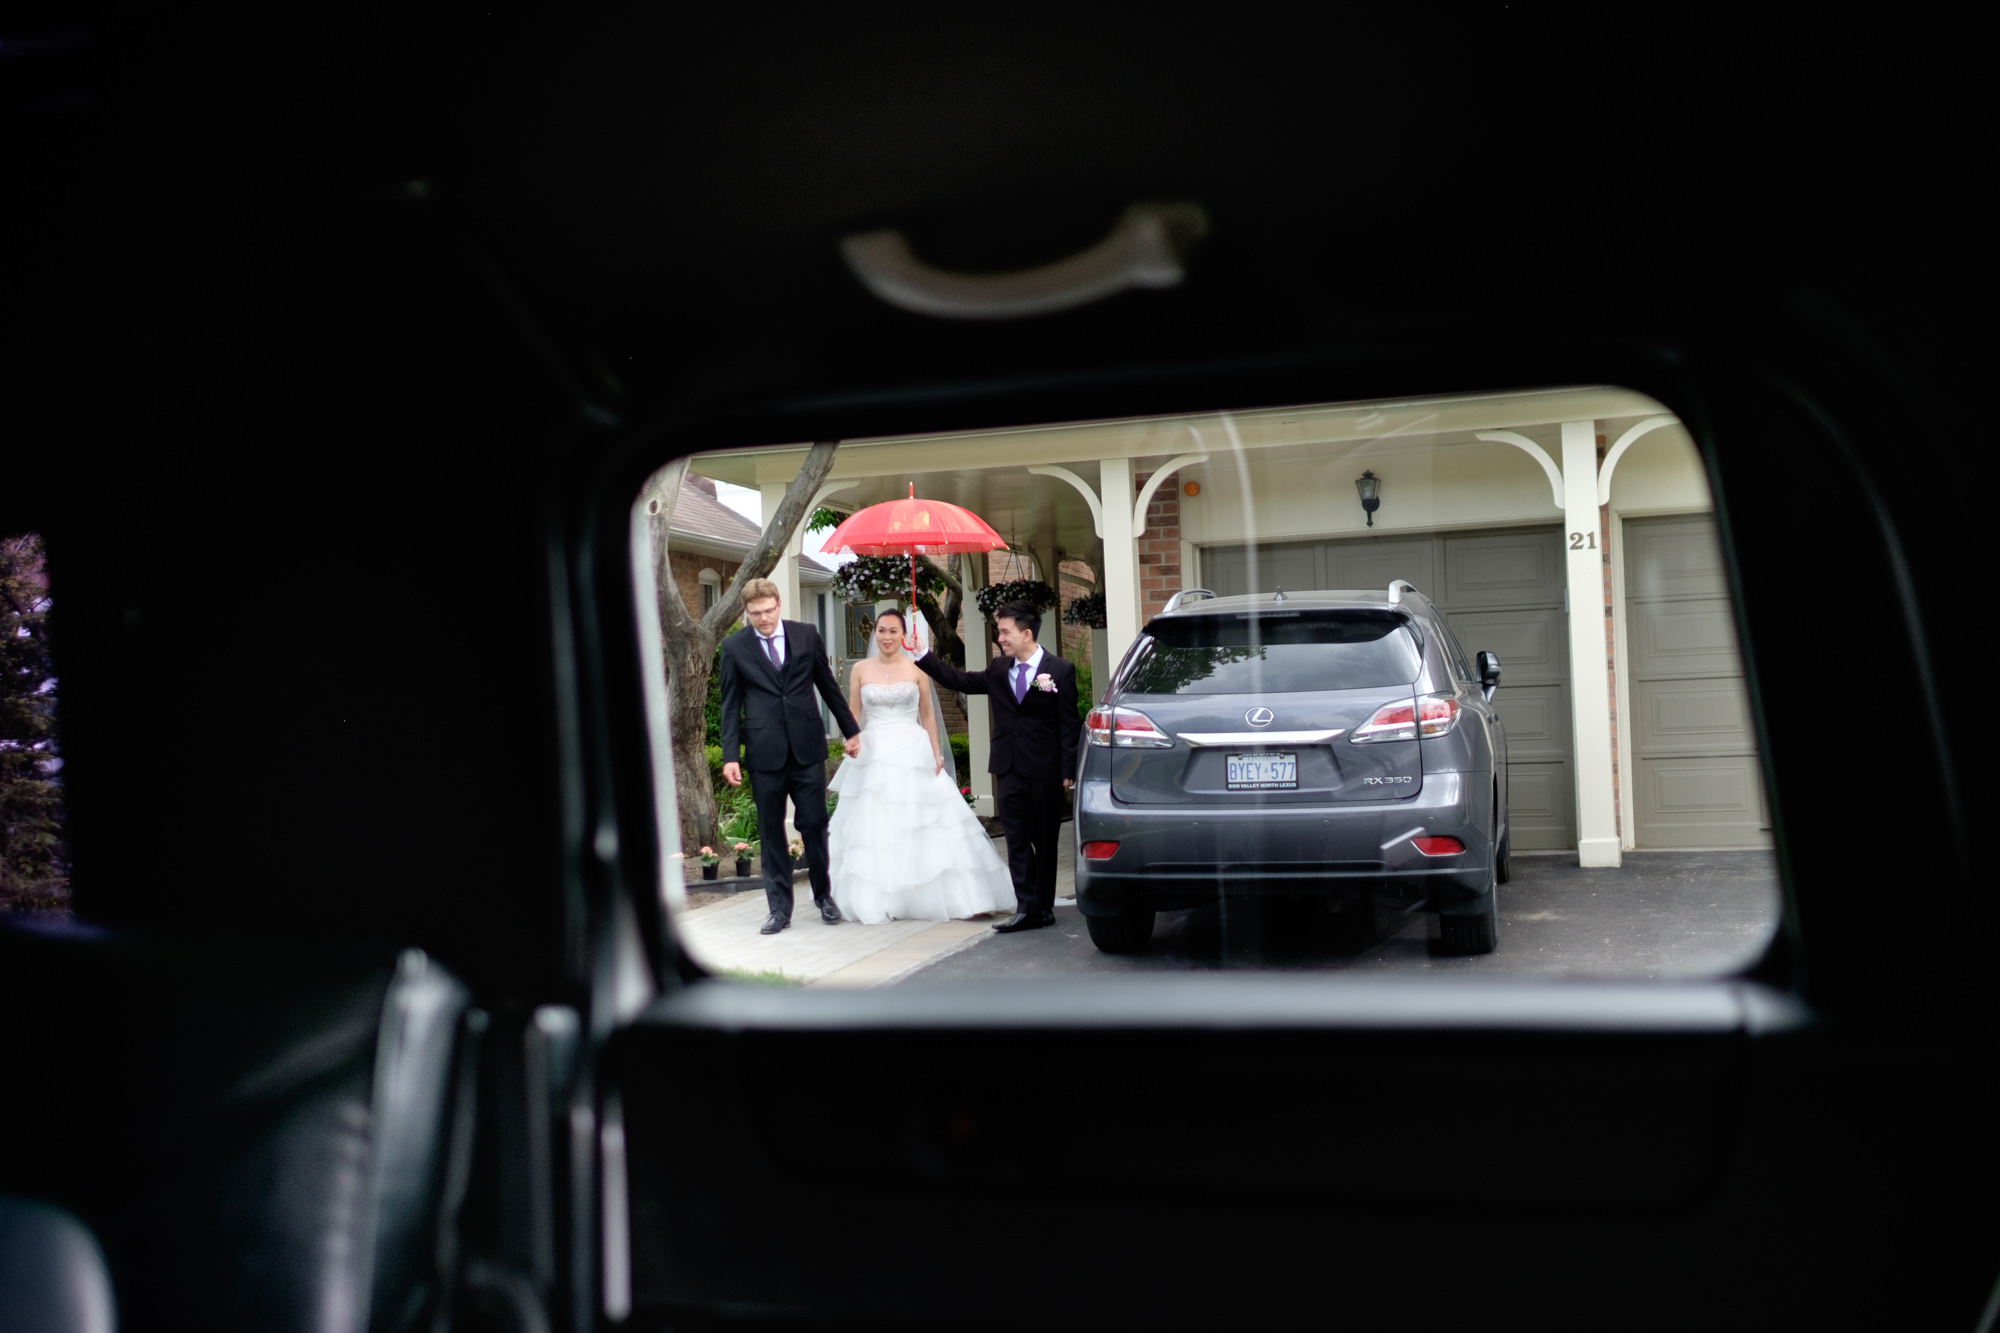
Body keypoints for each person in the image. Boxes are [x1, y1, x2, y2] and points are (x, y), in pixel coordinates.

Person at [826, 608, 1016, 924]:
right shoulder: (859, 669)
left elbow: (927, 714)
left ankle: (956, 895)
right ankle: (884, 896)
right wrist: (851, 737)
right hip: (874, 751)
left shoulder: (917, 668)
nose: (887, 637)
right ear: (875, 634)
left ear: (904, 635)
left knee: (927, 819)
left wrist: (936, 750)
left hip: (912, 749)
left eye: (893, 631)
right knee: (878, 822)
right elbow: (853, 711)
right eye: (882, 630)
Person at [914, 602, 1081, 932]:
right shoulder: (999, 669)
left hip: (1046, 770)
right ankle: (1027, 907)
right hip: (1008, 768)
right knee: (1016, 839)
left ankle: (1044, 907)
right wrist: (923, 655)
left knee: (1045, 842)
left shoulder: (1060, 670)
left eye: (1005, 631)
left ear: (1026, 633)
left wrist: (1069, 769)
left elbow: (1069, 723)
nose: (1000, 638)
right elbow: (959, 680)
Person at [717, 578, 862, 935]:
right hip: (764, 753)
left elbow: (827, 684)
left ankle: (824, 896)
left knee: (814, 823)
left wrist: (851, 730)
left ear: (779, 604)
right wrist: (730, 755)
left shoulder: (805, 634)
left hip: (806, 747)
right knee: (770, 832)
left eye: (768, 611)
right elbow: (730, 704)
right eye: (755, 614)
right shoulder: (734, 647)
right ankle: (779, 909)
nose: (763, 619)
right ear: (746, 614)